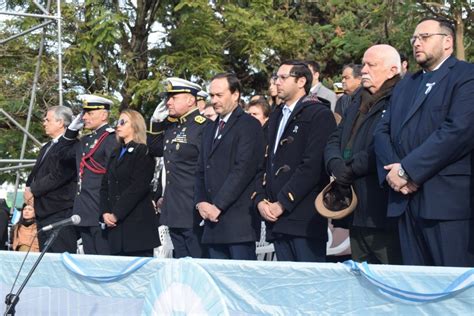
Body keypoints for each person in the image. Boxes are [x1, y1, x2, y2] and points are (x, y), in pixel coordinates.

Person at [374, 17, 474, 267]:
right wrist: (395, 173)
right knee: (416, 288)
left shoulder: (466, 77)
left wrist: (408, 170)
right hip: (404, 202)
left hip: (445, 206)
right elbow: (382, 131)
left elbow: (457, 131)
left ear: (448, 42)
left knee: (453, 290)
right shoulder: (407, 83)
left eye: (425, 37)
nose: (417, 43)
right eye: (414, 39)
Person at [325, 45, 403, 264]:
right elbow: (335, 137)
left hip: (381, 208)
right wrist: (334, 164)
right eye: (363, 64)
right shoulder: (357, 99)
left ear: (392, 70)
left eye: (371, 65)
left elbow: (389, 143)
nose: (364, 71)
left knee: (387, 276)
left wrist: (350, 168)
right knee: (360, 277)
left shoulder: (401, 98)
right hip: (354, 206)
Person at [255, 60, 337, 262]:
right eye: (276, 77)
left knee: (310, 284)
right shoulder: (276, 116)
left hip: (304, 218)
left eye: (283, 77)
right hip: (276, 218)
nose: (277, 82)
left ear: (301, 81)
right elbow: (266, 162)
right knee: (287, 285)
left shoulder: (319, 114)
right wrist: (261, 200)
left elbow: (312, 166)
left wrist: (283, 202)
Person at [195, 73, 264, 260]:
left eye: (219, 95)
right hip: (212, 221)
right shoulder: (209, 127)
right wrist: (200, 201)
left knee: (241, 282)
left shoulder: (249, 125)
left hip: (238, 221)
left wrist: (218, 205)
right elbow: (201, 168)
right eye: (212, 96)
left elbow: (243, 169)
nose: (214, 100)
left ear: (235, 95)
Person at [147, 77, 208, 258]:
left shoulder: (202, 126)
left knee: (197, 261)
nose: (168, 102)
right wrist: (156, 122)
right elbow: (155, 149)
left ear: (190, 100)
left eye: (174, 97)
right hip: (173, 207)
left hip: (192, 206)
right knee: (181, 262)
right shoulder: (172, 126)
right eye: (168, 97)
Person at [63, 95, 118, 255]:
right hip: (84, 209)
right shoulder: (85, 140)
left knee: (103, 261)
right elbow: (63, 154)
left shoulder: (110, 138)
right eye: (84, 113)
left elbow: (113, 175)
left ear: (103, 114)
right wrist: (71, 131)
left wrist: (109, 209)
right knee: (89, 261)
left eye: (89, 113)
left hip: (100, 208)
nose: (84, 117)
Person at [101, 110, 160, 257]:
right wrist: (105, 212)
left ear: (135, 125)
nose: (118, 126)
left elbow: (138, 187)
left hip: (137, 227)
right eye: (117, 122)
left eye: (123, 122)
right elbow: (105, 186)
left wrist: (116, 214)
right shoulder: (115, 152)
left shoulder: (143, 151)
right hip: (115, 228)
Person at [25, 106, 78, 253]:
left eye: (47, 120)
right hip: (43, 211)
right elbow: (37, 171)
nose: (44, 123)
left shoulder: (71, 146)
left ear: (60, 122)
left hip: (59, 210)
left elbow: (59, 174)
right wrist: (28, 187)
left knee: (60, 256)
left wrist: (33, 189)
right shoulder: (47, 146)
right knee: (46, 259)